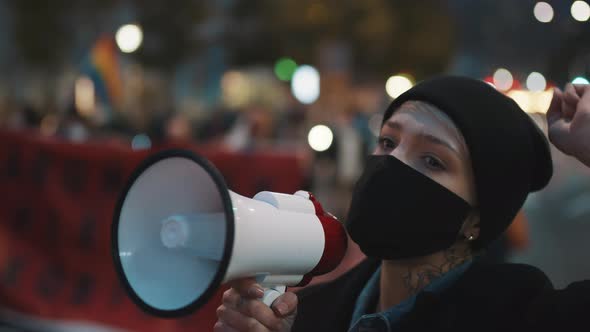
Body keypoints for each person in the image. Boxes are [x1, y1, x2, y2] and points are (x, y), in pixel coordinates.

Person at [214, 76, 590, 332]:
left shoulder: (523, 315)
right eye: (389, 142)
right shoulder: (307, 313)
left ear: (476, 217)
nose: (391, 165)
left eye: (433, 160)